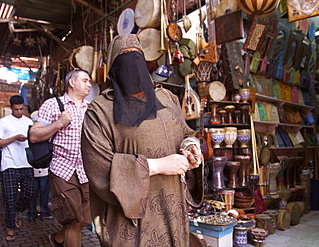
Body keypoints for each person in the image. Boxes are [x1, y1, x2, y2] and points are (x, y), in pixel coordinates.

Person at [81, 34, 204, 247]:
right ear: (113, 66)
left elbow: (185, 132)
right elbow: (98, 166)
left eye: (137, 56)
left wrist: (190, 147)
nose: (132, 63)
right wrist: (157, 165)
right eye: (124, 56)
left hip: (172, 207)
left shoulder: (166, 98)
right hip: (132, 217)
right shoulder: (100, 110)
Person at [29, 68, 92, 247]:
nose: (89, 84)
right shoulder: (53, 105)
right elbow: (34, 135)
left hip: (87, 171)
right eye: (85, 80)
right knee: (72, 221)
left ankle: (56, 239)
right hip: (63, 170)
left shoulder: (92, 108)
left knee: (85, 219)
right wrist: (59, 123)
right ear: (72, 82)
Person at [0, 95, 34, 242]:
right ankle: (10, 227)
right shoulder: (3, 122)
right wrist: (14, 138)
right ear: (11, 108)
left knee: (28, 194)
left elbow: (34, 139)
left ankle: (17, 211)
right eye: (16, 109)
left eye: (21, 109)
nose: (19, 112)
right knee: (9, 197)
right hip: (9, 164)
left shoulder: (29, 122)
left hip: (27, 163)